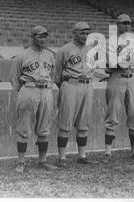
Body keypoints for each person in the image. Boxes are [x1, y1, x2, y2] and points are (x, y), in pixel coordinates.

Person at [9, 25, 57, 172]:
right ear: (33, 38)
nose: (43, 39)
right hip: (29, 89)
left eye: (45, 36)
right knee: (24, 128)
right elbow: (14, 79)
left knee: (44, 128)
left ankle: (42, 161)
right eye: (40, 36)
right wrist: (26, 90)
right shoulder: (22, 56)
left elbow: (53, 74)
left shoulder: (50, 55)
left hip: (46, 90)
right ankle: (21, 162)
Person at [54, 21, 98, 166]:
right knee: (65, 122)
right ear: (74, 33)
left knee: (83, 123)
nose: (85, 36)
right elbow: (57, 75)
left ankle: (82, 155)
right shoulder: (64, 50)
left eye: (87, 33)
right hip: (71, 84)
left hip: (87, 85)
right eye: (82, 33)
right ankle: (62, 157)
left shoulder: (92, 49)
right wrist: (66, 86)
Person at [102, 13, 134, 163]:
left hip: (132, 78)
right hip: (116, 79)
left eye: (128, 23)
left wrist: (124, 61)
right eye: (123, 23)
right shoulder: (109, 41)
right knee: (112, 115)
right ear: (117, 25)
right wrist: (123, 61)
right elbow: (112, 64)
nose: (126, 26)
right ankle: (107, 152)